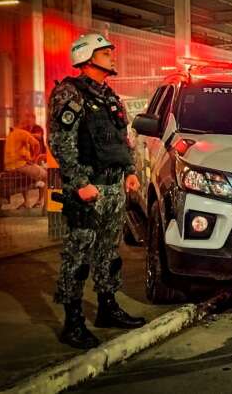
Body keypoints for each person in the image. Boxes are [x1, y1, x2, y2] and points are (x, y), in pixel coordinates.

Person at [48, 33, 145, 349]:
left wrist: (129, 171)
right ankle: (73, 322)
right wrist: (78, 183)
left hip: (112, 187)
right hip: (87, 188)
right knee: (78, 257)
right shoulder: (69, 94)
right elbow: (61, 143)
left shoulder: (110, 97)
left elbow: (122, 140)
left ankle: (107, 307)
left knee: (109, 253)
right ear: (87, 57)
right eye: (106, 52)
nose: (112, 56)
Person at [4, 112, 48, 207]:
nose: (27, 122)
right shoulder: (22, 132)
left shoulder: (12, 134)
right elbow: (36, 144)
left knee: (29, 174)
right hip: (20, 165)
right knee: (46, 175)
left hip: (10, 166)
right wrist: (33, 158)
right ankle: (41, 202)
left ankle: (27, 202)